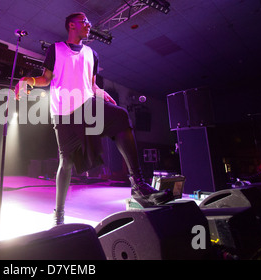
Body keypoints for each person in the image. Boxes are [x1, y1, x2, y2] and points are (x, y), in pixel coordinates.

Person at [15, 12, 173, 226]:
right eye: (84, 22)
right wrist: (28, 80)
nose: (89, 25)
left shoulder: (92, 53)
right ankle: (59, 212)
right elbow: (46, 79)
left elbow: (92, 85)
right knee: (67, 161)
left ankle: (139, 186)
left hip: (88, 105)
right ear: (71, 25)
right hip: (64, 111)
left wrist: (101, 93)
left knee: (121, 117)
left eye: (89, 22)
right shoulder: (57, 49)